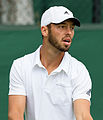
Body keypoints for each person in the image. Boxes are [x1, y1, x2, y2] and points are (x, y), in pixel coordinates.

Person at [8, 6, 93, 120]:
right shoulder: (21, 66)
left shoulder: (79, 70)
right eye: (62, 27)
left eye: (72, 28)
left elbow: (83, 116)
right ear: (44, 30)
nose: (69, 32)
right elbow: (15, 115)